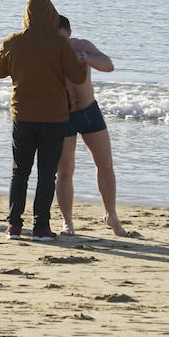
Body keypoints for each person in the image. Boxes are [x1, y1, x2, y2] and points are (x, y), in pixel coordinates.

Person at [0, 0, 87, 241]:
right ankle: (41, 227)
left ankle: (14, 226)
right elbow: (76, 77)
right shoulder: (60, 44)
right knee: (47, 174)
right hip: (54, 117)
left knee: (19, 171)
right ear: (52, 16)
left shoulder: (11, 42)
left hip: (23, 115)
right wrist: (84, 63)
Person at [55, 15, 127, 237]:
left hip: (89, 111)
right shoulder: (47, 51)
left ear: (69, 32)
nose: (60, 43)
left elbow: (108, 65)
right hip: (62, 114)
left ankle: (111, 215)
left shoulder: (81, 45)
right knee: (65, 171)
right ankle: (67, 222)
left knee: (105, 163)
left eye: (62, 38)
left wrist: (84, 57)